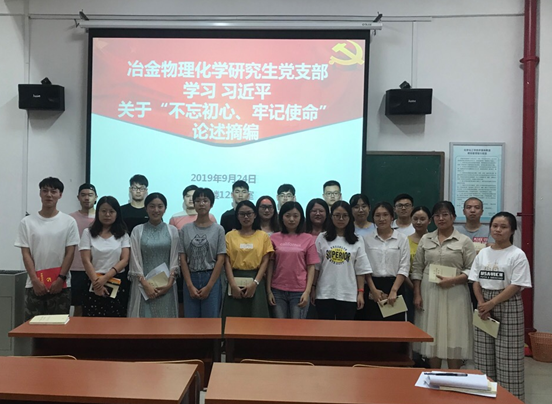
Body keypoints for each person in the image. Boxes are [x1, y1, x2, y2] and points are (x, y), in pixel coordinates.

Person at [469, 212, 531, 401]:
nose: (498, 230)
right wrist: (481, 303)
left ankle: (510, 399)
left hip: (507, 304)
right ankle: (484, 398)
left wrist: (492, 303)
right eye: (495, 226)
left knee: (508, 359)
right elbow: (475, 280)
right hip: (483, 305)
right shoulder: (483, 253)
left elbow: (516, 284)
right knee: (483, 357)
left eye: (503, 227)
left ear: (512, 230)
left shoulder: (517, 254)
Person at [412, 201, 476, 369]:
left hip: (455, 293)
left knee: (454, 333)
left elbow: (472, 270)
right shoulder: (426, 239)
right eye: (437, 215)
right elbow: (417, 268)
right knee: (432, 333)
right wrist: (417, 294)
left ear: (453, 217)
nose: (441, 218)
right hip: (430, 292)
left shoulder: (464, 241)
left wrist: (453, 280)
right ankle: (435, 375)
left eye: (445, 214)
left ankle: (454, 376)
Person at [15, 177, 79, 320]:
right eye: (45, 191)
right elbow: (26, 254)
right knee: (32, 329)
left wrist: (60, 279)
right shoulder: (27, 222)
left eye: (53, 191)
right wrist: (35, 280)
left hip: (61, 285)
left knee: (58, 329)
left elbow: (70, 253)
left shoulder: (69, 222)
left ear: (60, 195)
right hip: (34, 285)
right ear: (40, 193)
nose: (49, 195)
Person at [314, 201, 371, 320]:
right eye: (337, 215)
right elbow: (316, 267)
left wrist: (360, 292)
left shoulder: (357, 240)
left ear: (350, 217)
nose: (341, 219)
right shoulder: (322, 238)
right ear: (331, 217)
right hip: (324, 293)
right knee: (324, 329)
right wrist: (313, 288)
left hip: (348, 294)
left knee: (345, 330)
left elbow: (360, 269)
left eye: (345, 215)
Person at [128, 193, 180, 318]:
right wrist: (145, 284)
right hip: (143, 287)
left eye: (160, 206)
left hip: (166, 286)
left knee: (166, 322)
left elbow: (175, 258)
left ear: (165, 209)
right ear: (146, 208)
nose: (156, 210)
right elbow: (134, 259)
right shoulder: (137, 230)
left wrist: (169, 284)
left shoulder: (172, 231)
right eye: (152, 206)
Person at [222, 200, 273, 321]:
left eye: (249, 213)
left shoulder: (263, 236)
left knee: (256, 319)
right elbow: (226, 261)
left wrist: (255, 283)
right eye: (242, 214)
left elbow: (265, 261)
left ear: (255, 215)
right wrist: (232, 284)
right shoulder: (229, 236)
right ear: (237, 216)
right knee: (233, 321)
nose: (246, 217)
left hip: (256, 280)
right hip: (234, 280)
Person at [80, 196, 130, 317]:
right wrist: (97, 282)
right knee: (92, 321)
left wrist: (105, 278)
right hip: (93, 280)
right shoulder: (88, 233)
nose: (107, 214)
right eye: (103, 211)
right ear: (98, 212)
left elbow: (125, 260)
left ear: (117, 214)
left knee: (116, 321)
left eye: (111, 211)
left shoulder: (123, 234)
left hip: (117, 282)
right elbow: (86, 260)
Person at [179, 188, 226, 318]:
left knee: (210, 321)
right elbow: (182, 258)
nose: (201, 204)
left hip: (211, 277)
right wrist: (189, 285)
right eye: (198, 201)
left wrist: (209, 286)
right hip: (191, 277)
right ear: (194, 204)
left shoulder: (218, 229)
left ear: (211, 204)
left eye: (205, 200)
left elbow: (220, 259)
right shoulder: (185, 229)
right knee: (191, 320)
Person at [267, 202, 319, 319]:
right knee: (279, 327)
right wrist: (269, 290)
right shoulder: (274, 237)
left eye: (295, 216)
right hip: (277, 290)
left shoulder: (308, 238)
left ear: (301, 218)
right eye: (287, 215)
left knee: (297, 327)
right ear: (281, 217)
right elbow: (270, 265)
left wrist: (307, 291)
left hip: (299, 291)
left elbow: (311, 266)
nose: (291, 219)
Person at [363, 202, 409, 321]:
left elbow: (404, 267)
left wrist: (394, 291)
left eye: (385, 215)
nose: (381, 219)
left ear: (392, 217)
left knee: (395, 327)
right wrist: (373, 290)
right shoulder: (366, 240)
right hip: (373, 287)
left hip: (396, 285)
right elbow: (364, 267)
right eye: (377, 215)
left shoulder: (402, 239)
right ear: (373, 218)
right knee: (372, 326)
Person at [69, 183, 97, 317]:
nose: (87, 198)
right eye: (83, 195)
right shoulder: (70, 219)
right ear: (78, 197)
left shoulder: (102, 218)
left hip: (97, 268)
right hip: (76, 269)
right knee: (78, 306)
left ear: (96, 197)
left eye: (90, 195)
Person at [406, 206, 432, 323]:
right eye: (415, 219)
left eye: (422, 219)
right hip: (408, 286)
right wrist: (414, 288)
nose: (418, 222)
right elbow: (402, 267)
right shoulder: (405, 240)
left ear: (429, 220)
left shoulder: (435, 239)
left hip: (431, 286)